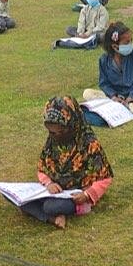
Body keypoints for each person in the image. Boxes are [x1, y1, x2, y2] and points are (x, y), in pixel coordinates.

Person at [18, 96, 113, 229]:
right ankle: (52, 218)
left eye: (61, 131)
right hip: (52, 191)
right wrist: (49, 183)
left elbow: (105, 177)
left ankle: (69, 210)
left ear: (73, 124)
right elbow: (42, 168)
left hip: (76, 195)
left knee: (50, 206)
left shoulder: (89, 144)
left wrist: (87, 195)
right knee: (19, 200)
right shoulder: (52, 142)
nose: (56, 136)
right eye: (52, 132)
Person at [83, 22, 133, 116]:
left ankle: (127, 106)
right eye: (127, 42)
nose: (130, 44)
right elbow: (104, 83)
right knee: (87, 93)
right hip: (115, 96)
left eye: (131, 40)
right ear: (115, 46)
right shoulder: (103, 60)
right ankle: (116, 103)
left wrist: (130, 97)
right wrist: (113, 96)